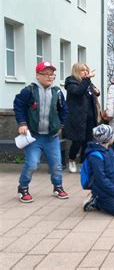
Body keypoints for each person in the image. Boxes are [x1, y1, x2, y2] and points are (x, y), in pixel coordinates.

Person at [13, 61, 68, 203]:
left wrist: (61, 126)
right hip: (33, 137)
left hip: (51, 137)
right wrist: (22, 123)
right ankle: (23, 187)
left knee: (56, 164)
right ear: (38, 76)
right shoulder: (29, 91)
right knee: (32, 163)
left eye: (52, 74)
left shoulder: (57, 92)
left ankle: (58, 186)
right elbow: (18, 106)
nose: (50, 77)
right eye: (46, 74)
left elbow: (64, 110)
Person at [82, 124, 114, 217]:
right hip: (102, 191)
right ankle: (96, 201)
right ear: (109, 138)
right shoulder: (95, 156)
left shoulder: (109, 150)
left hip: (113, 188)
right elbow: (101, 179)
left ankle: (108, 199)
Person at [63, 62, 100, 173]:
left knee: (88, 142)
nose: (86, 72)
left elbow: (95, 94)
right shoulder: (71, 82)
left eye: (87, 70)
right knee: (78, 141)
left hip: (90, 117)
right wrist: (87, 80)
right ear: (77, 71)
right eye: (83, 70)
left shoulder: (87, 82)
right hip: (77, 118)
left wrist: (95, 90)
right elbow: (78, 92)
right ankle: (72, 159)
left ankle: (85, 164)